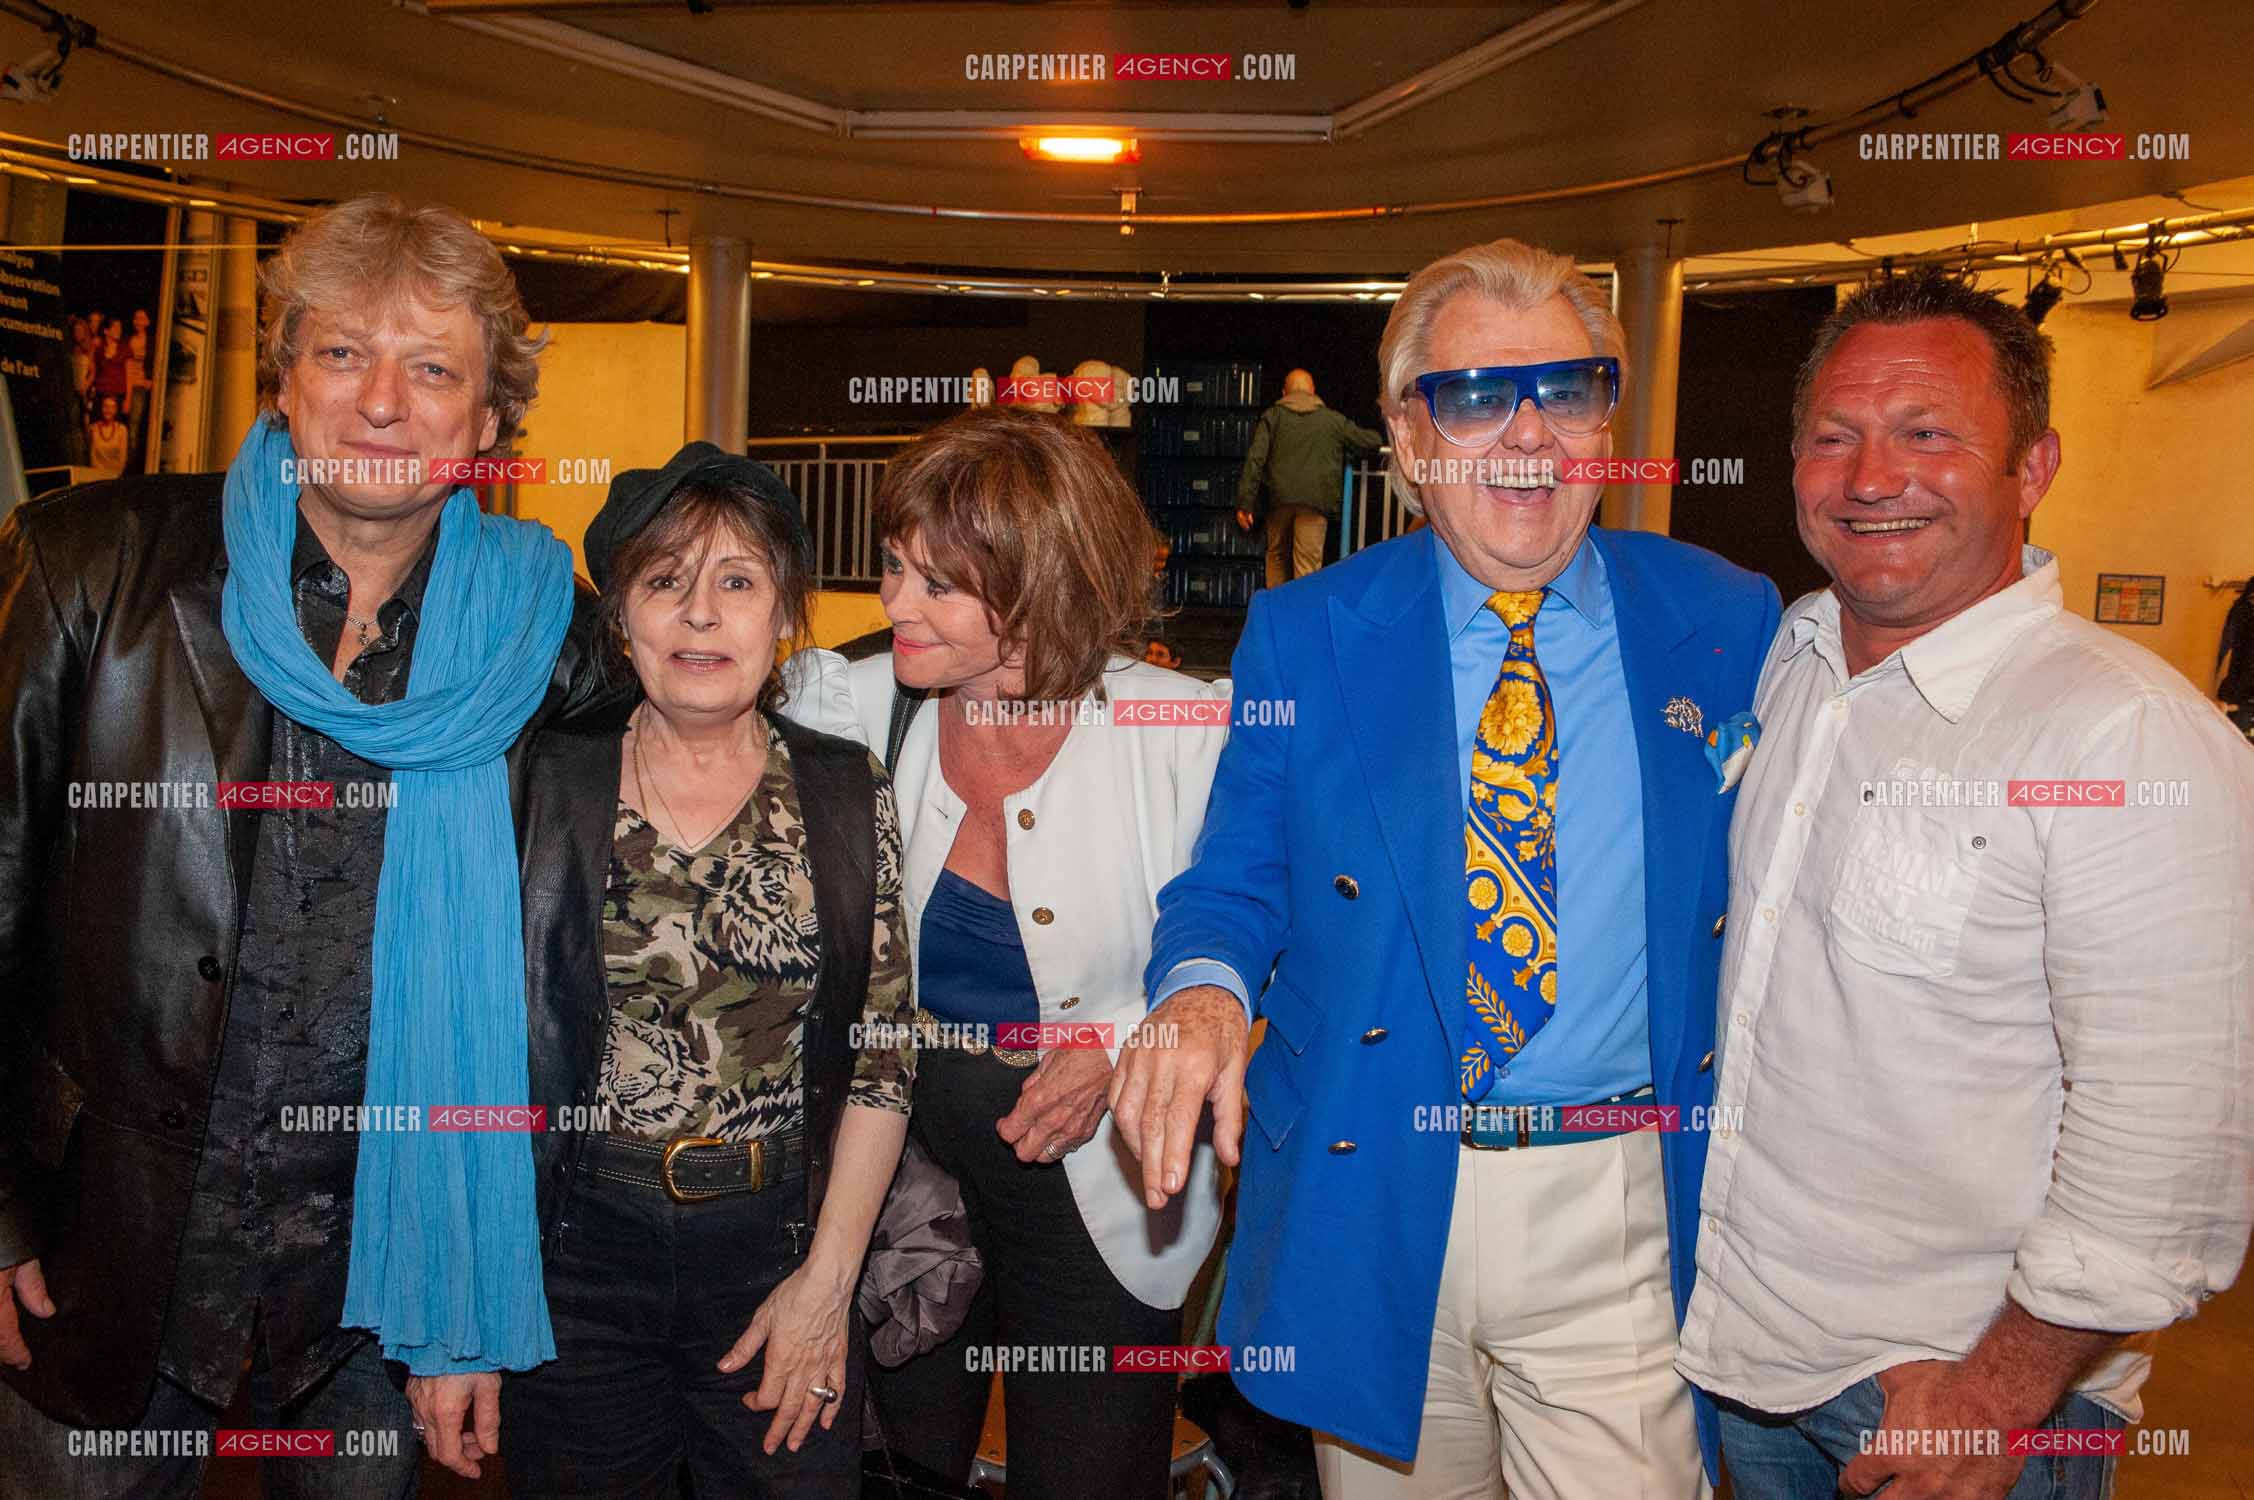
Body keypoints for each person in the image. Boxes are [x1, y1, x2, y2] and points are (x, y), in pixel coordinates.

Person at [1114, 236, 1782, 1498]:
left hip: (1620, 1204)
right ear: (1410, 442)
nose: (1528, 433)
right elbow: (1236, 874)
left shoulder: (1728, 619)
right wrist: (1202, 990)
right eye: (1476, 396)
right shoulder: (1308, 632)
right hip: (1375, 1192)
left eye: (1567, 390)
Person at [0, 192, 606, 1499]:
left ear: (488, 424)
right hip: (104, 1248)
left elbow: (694, 769)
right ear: (284, 381)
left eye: (431, 367)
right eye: (342, 353)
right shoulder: (93, 564)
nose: (381, 400)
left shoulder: (543, 639)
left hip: (377, 1281)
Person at [1674, 268, 2254, 1500]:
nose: (1872, 478)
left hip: (1955, 1404)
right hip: (1753, 1366)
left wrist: (1996, 1395)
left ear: (2033, 469)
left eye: (1926, 434)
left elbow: (2173, 1148)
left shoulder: (2123, 737)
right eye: (1835, 438)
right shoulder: (1792, 659)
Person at [785, 407, 1230, 1499]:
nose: (894, 604)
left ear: (1040, 582)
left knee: (1089, 1465)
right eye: (892, 568)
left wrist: (1118, 1045)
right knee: (898, 1463)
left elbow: (1258, 952)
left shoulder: (1184, 730)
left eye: (937, 585)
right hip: (900, 1168)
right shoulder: (850, 706)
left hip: (1106, 1179)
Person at [499, 443, 913, 1496]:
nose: (698, 614)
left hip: (777, 1251)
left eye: (737, 582)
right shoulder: (541, 779)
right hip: (573, 1262)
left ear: (783, 619)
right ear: (621, 619)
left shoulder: (842, 790)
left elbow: (882, 1058)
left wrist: (827, 1281)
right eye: (664, 581)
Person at [1233, 367, 1384, 587]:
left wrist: (1245, 503)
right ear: (1313, 391)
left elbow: (1255, 459)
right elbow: (1370, 441)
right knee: (1307, 567)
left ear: (1284, 393)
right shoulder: (1331, 420)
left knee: (1276, 558)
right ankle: (1301, 618)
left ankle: (1278, 615)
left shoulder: (1272, 417)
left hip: (1278, 502)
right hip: (1315, 503)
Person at [86, 391, 127, 475]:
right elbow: (92, 456)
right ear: (101, 408)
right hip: (96, 475)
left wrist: (114, 476)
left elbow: (122, 458)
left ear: (116, 410)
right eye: (106, 406)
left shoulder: (122, 429)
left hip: (115, 477)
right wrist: (98, 474)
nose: (108, 410)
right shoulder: (93, 428)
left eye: (112, 407)